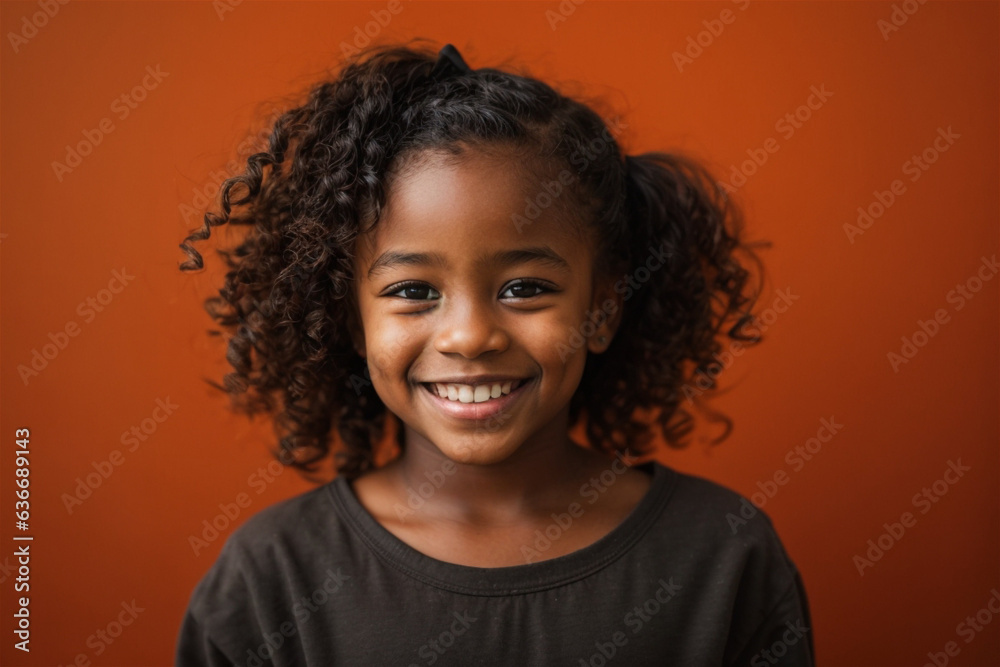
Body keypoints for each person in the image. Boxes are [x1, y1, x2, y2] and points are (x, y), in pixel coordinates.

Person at [174, 40, 814, 666]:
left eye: (524, 288)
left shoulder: (723, 558)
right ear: (352, 321)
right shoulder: (271, 579)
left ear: (601, 309)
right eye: (413, 291)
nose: (470, 336)